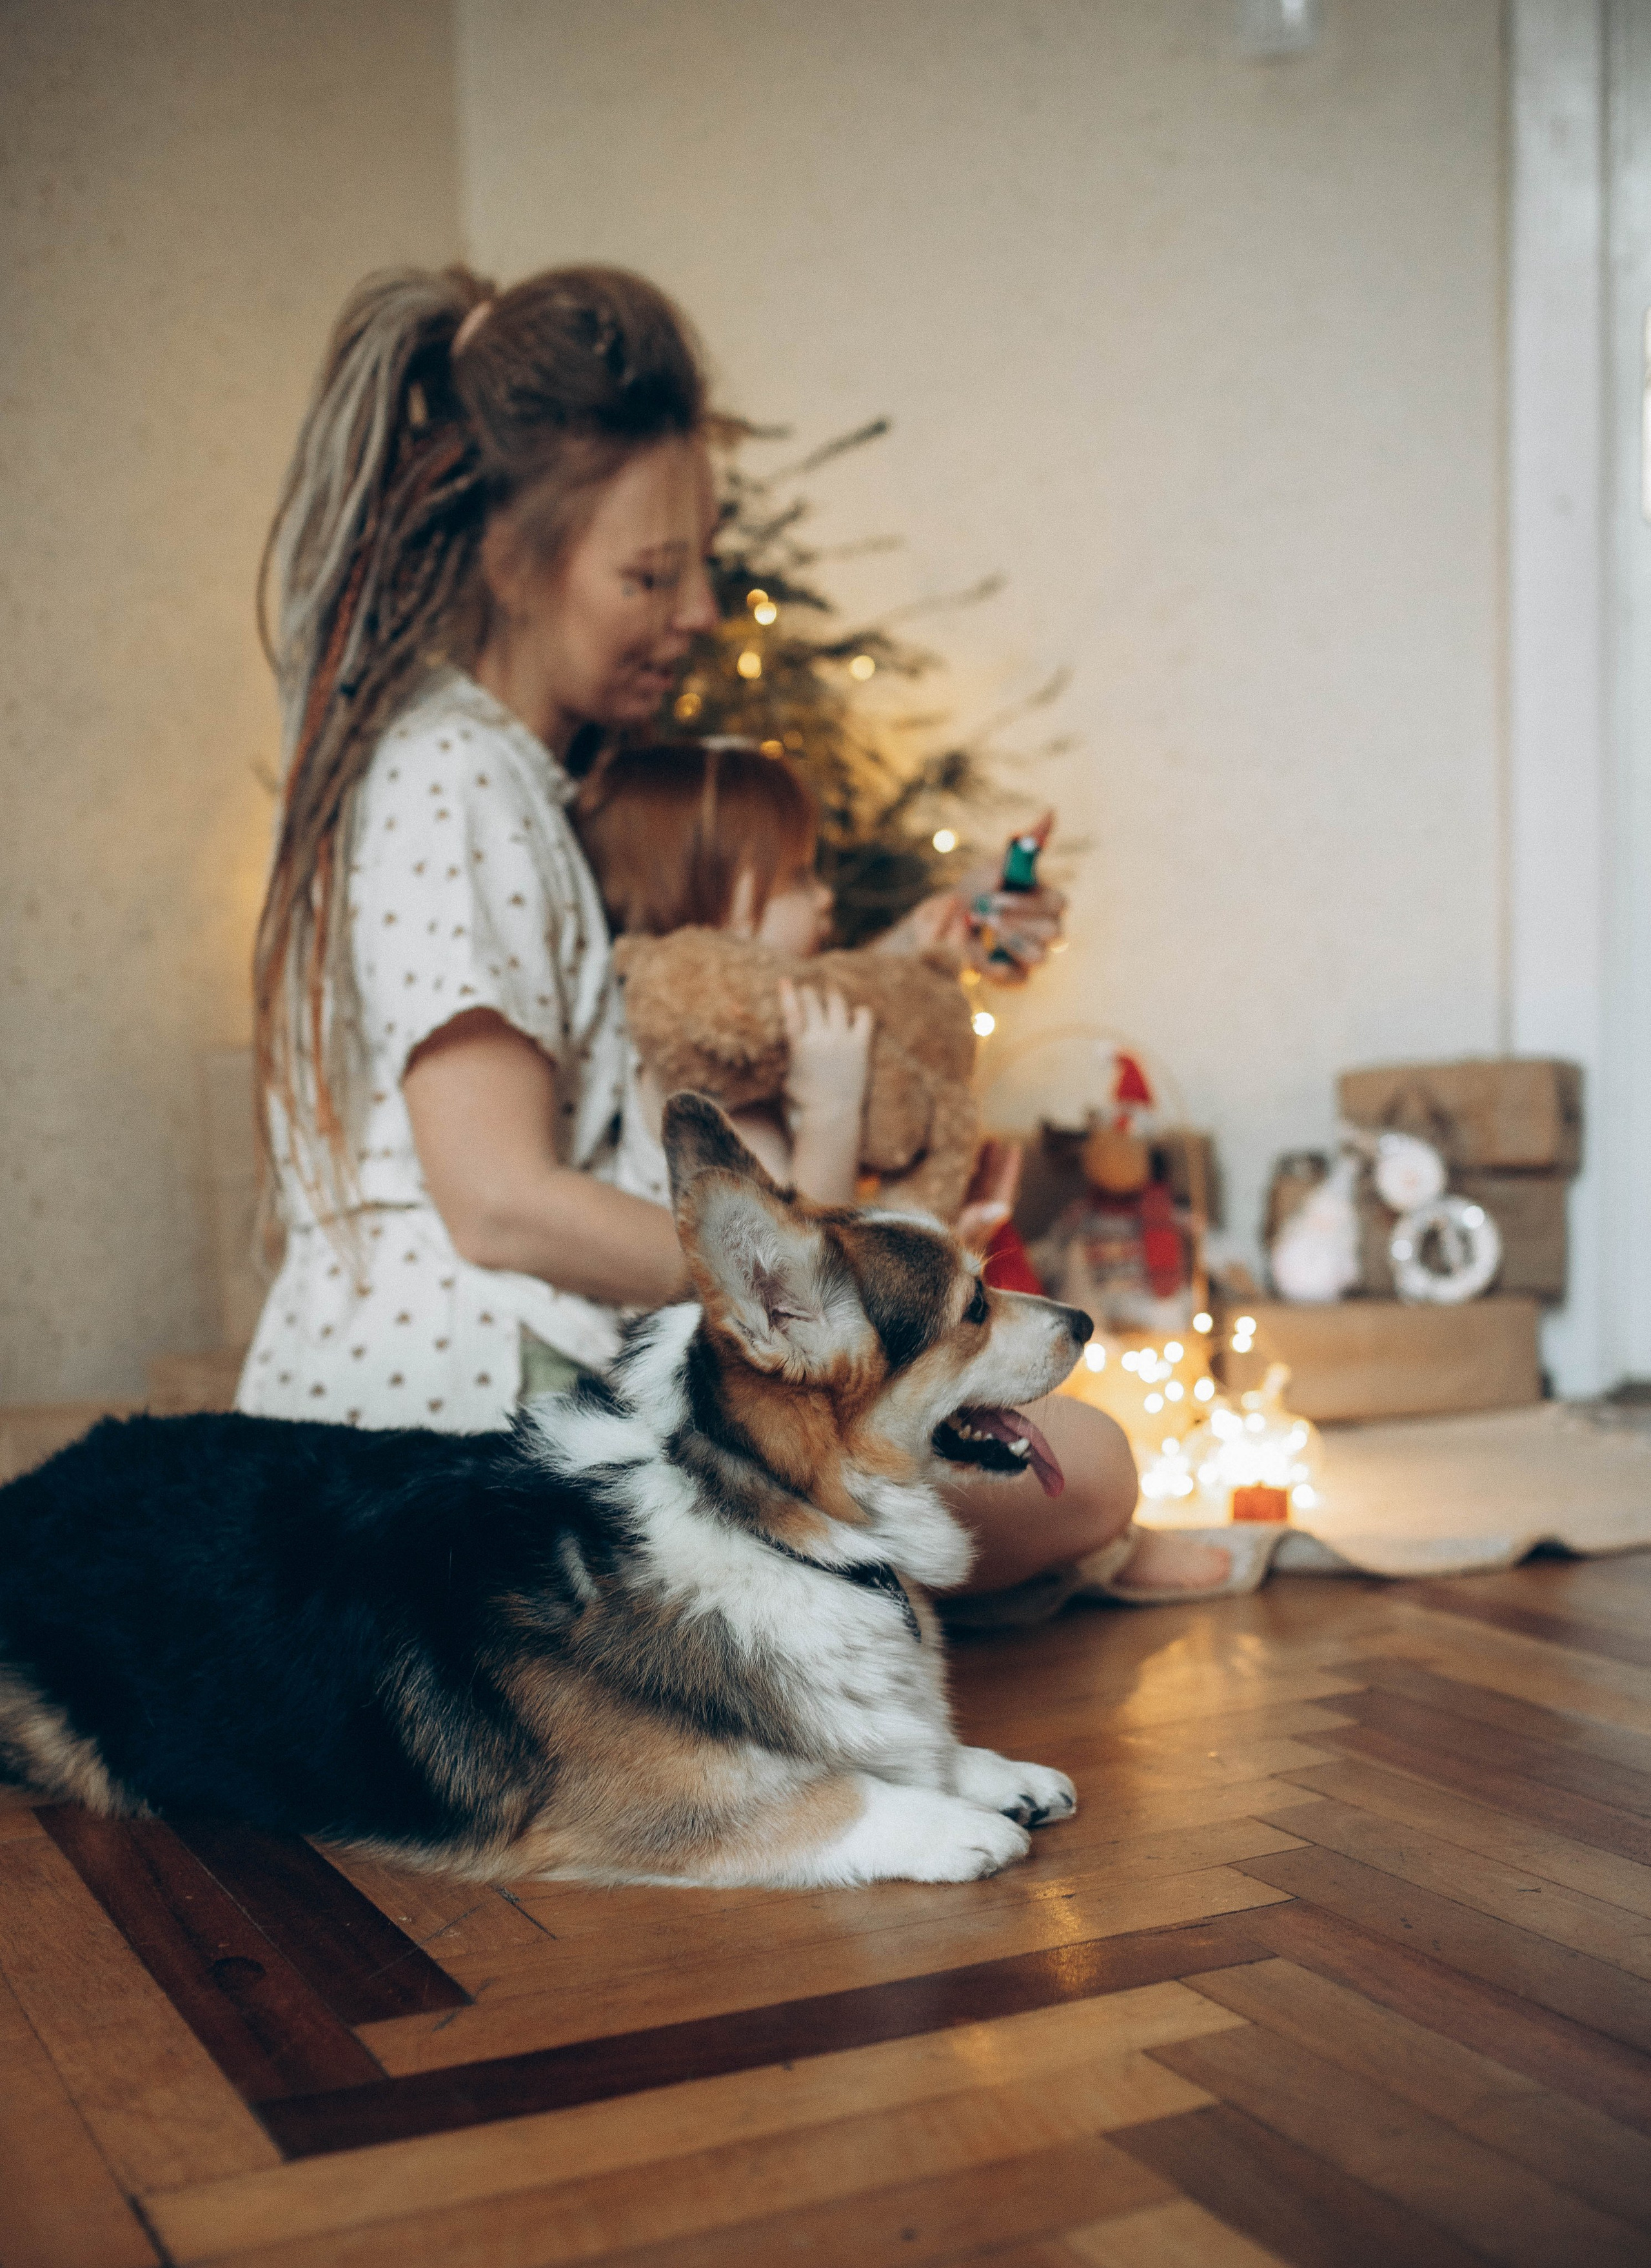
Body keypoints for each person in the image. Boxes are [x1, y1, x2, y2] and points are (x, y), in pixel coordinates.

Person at [237, 260, 1229, 1600]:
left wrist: (916, 960)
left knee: (1069, 1461)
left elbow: (702, 1009)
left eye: (697, 563)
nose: (698, 610)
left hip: (559, 1376)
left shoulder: (525, 771)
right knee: (1091, 1468)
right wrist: (813, 1308)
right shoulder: (447, 775)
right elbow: (499, 1202)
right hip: (460, 1419)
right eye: (653, 574)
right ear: (508, 559)